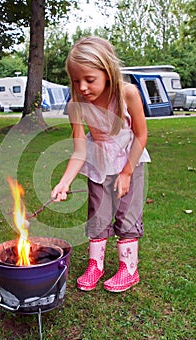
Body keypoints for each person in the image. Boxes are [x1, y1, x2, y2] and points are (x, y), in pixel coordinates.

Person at [51, 36, 151, 292]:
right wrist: (64, 182)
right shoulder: (77, 105)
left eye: (89, 79)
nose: (82, 87)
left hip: (130, 160)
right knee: (98, 213)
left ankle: (128, 269)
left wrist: (127, 172)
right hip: (99, 163)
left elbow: (141, 135)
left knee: (127, 214)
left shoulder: (128, 93)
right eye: (76, 80)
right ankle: (95, 265)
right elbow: (79, 149)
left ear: (107, 71)